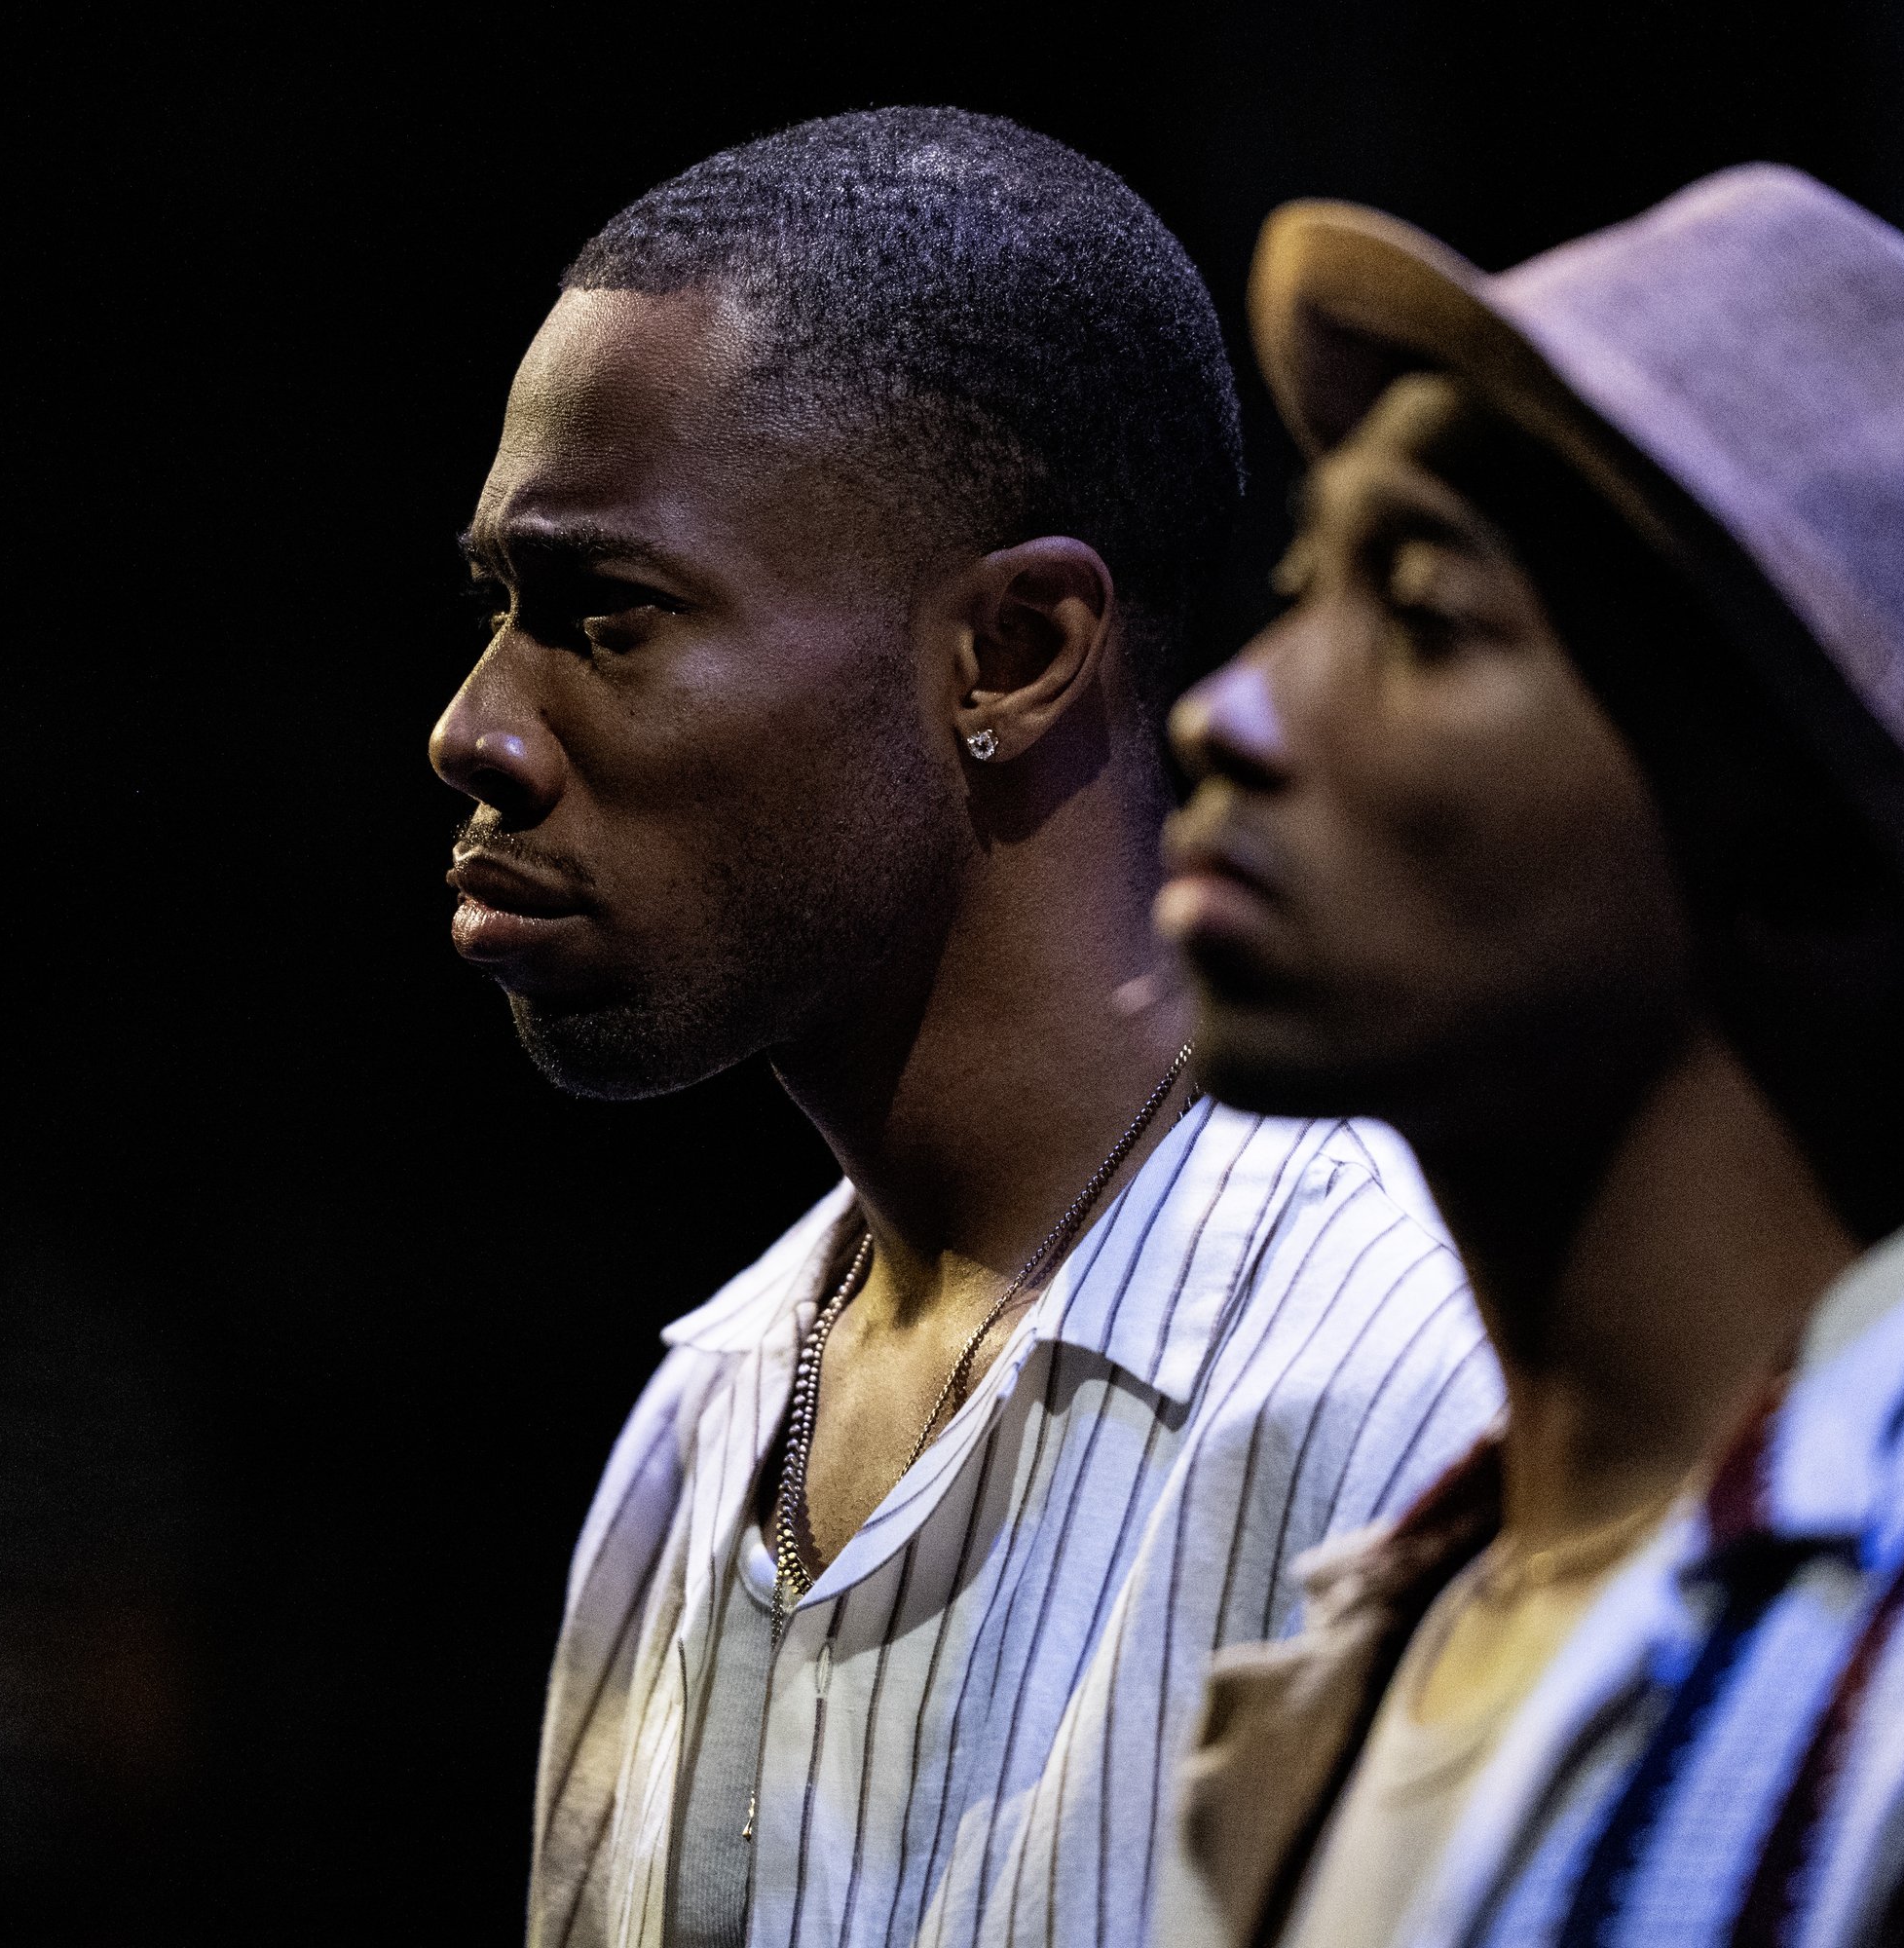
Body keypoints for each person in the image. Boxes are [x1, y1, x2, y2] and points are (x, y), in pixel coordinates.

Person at [429, 108, 1496, 1948]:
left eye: (607, 616)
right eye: (498, 608)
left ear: (1010, 652)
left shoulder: (1411, 1391)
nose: (478, 732)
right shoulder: (699, 1431)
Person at [1152, 166, 1904, 1948]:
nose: (1232, 710)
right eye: (1302, 581)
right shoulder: (1381, 1644)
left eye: (1423, 613)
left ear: (1813, 858)